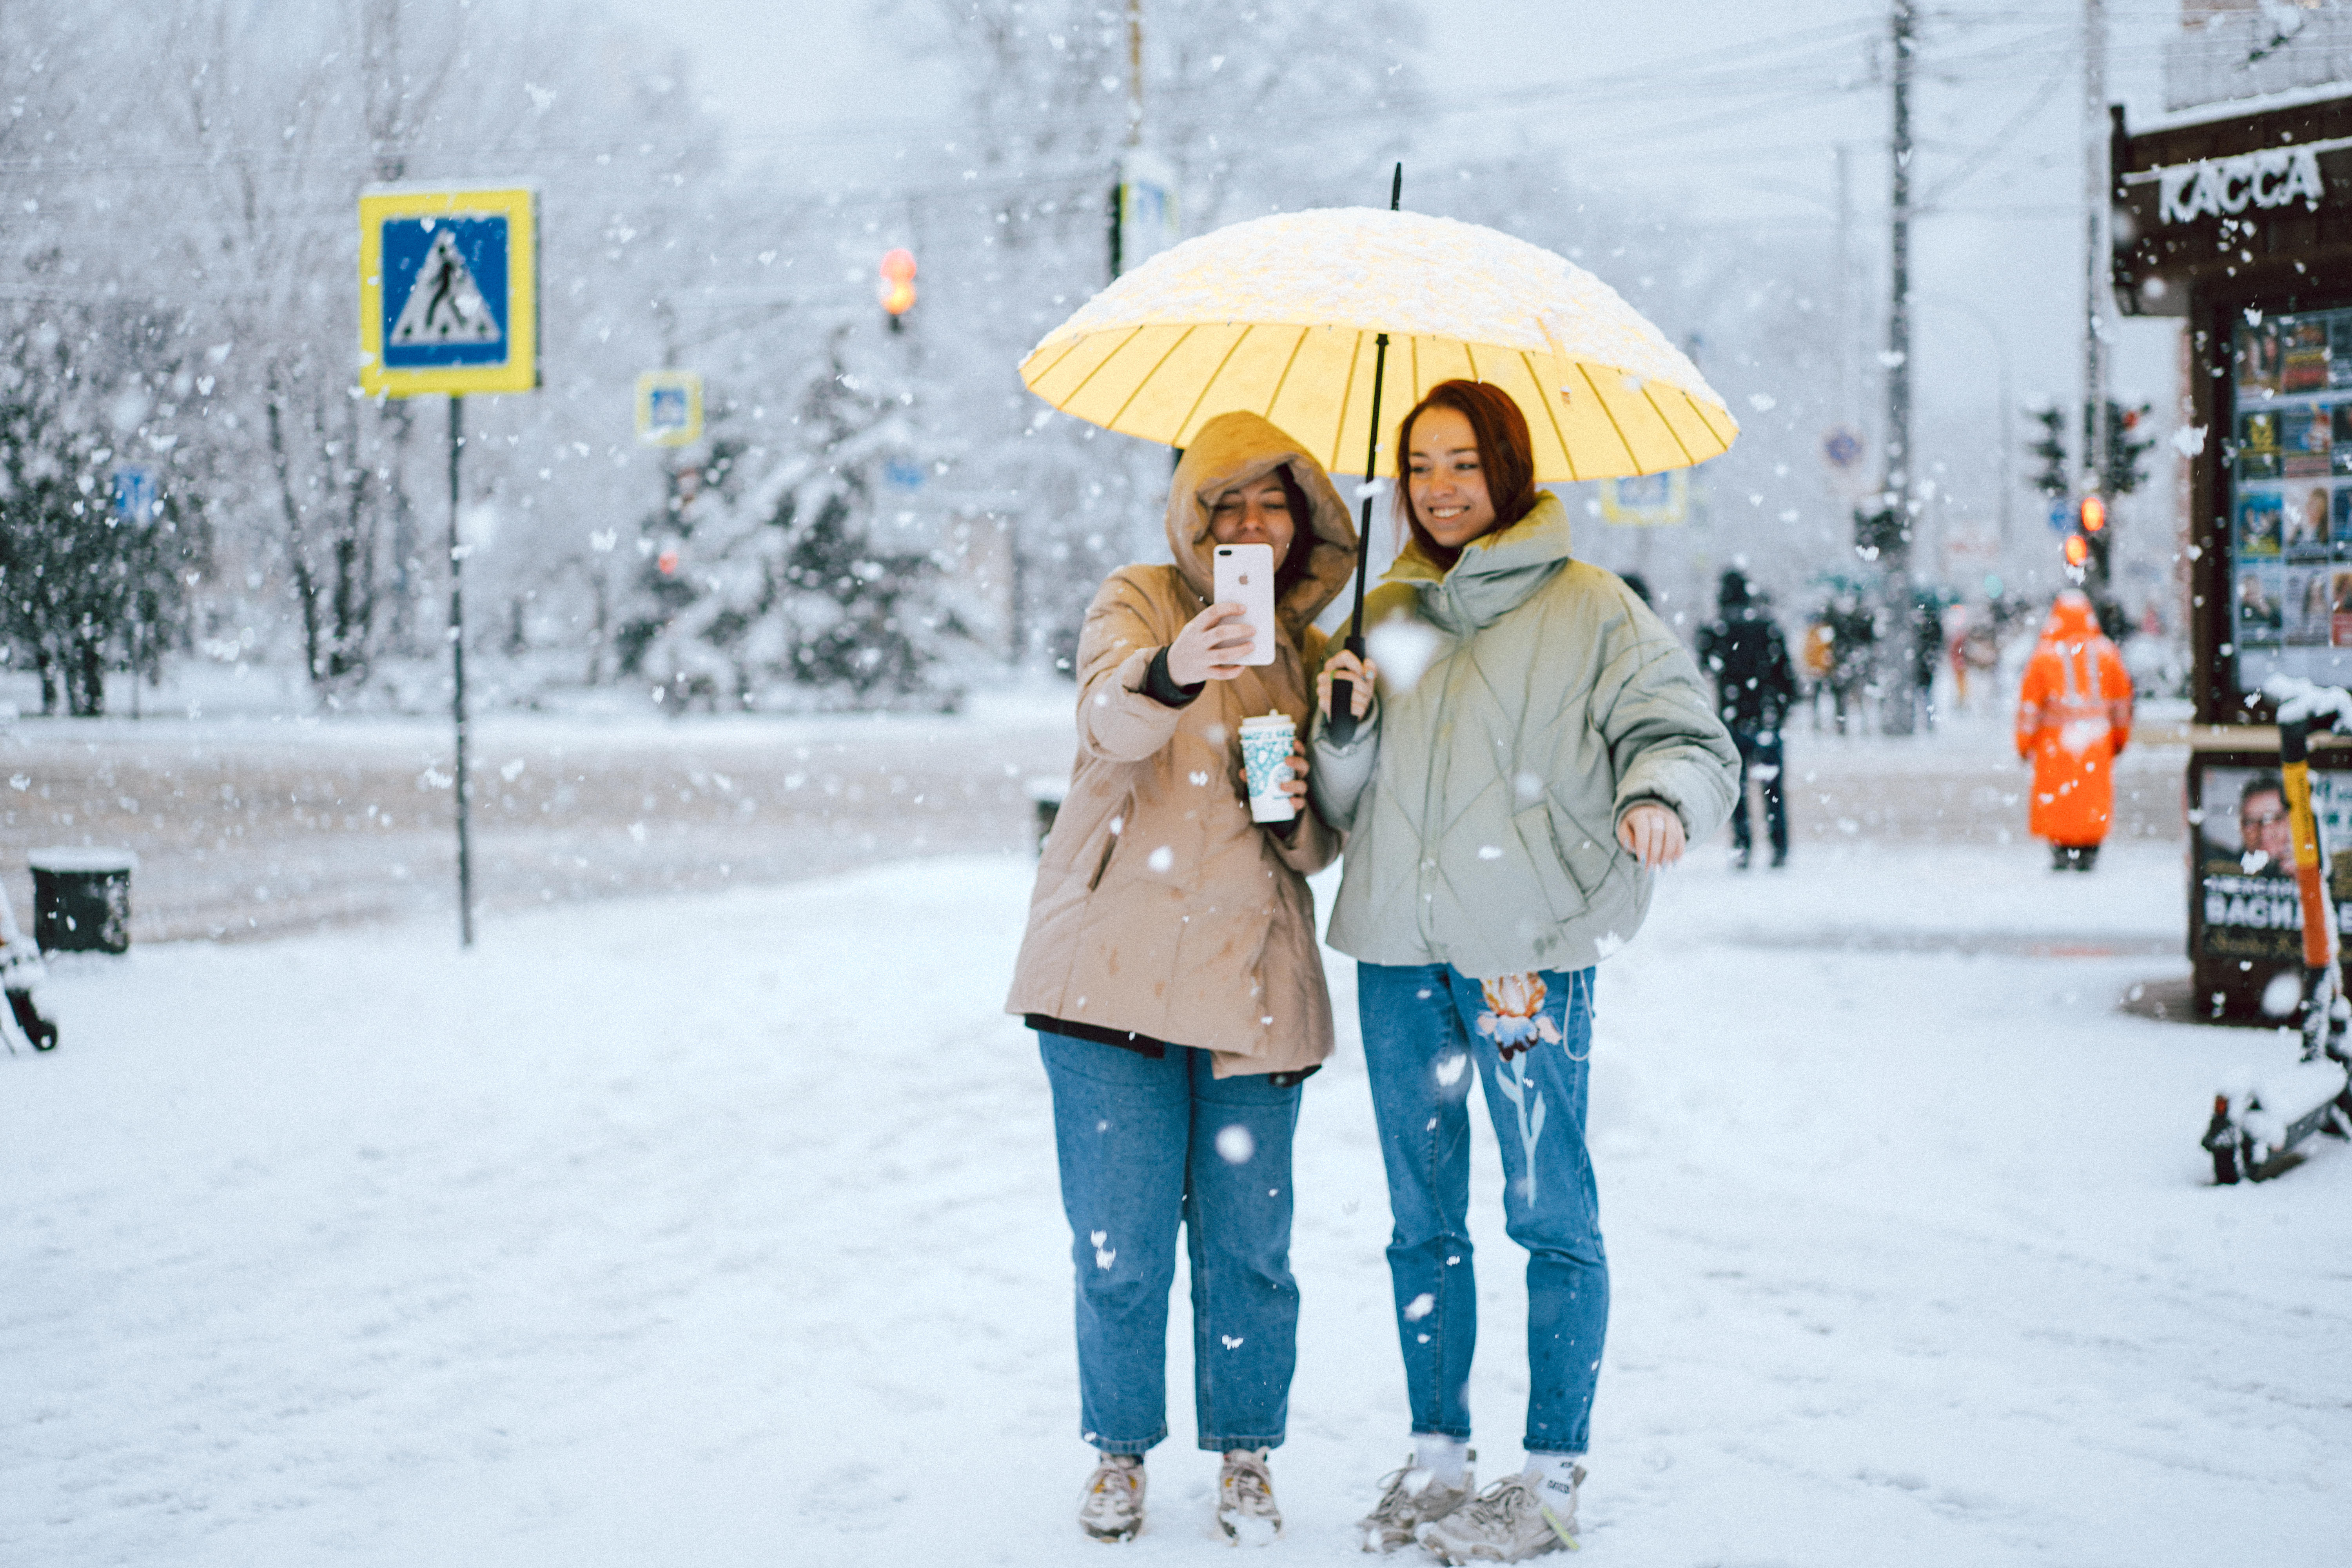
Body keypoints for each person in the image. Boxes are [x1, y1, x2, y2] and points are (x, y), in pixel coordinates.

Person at [1310, 380, 1738, 1562]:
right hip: (1399, 948)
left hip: (1526, 958)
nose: (1438, 486)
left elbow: (1686, 735)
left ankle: (1548, 1475)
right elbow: (1345, 799)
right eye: (1419, 464)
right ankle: (1436, 1458)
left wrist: (1658, 796)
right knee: (1419, 1218)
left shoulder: (1590, 605)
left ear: (1507, 470)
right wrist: (1340, 728)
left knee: (1548, 1209)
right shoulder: (1389, 611)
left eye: (1461, 462)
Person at [1005, 410, 1357, 1546]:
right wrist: (1174, 668)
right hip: (1110, 979)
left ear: (1302, 530)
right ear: (1193, 516)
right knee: (1120, 1247)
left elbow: (1311, 853)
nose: (1249, 525)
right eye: (1228, 505)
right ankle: (1118, 1453)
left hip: (1253, 988)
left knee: (1251, 1251)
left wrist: (1307, 783)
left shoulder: (1308, 648)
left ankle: (1247, 1455)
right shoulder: (1139, 600)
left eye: (1274, 506)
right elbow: (1106, 723)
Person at [2014, 588, 2134, 872]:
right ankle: (2089, 850)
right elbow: (2121, 704)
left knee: (2059, 799)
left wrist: (2024, 744)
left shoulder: (2044, 657)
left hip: (2055, 745)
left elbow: (2030, 708)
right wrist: (2119, 740)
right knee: (2091, 798)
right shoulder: (2107, 653)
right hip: (2097, 742)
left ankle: (2061, 849)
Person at [1696, 569, 1798, 869]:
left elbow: (1708, 667)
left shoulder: (1720, 629)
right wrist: (1779, 712)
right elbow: (1787, 676)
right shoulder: (1768, 626)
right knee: (1773, 789)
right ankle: (1779, 846)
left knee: (1736, 789)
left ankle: (1743, 846)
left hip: (1733, 719)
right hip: (1766, 719)